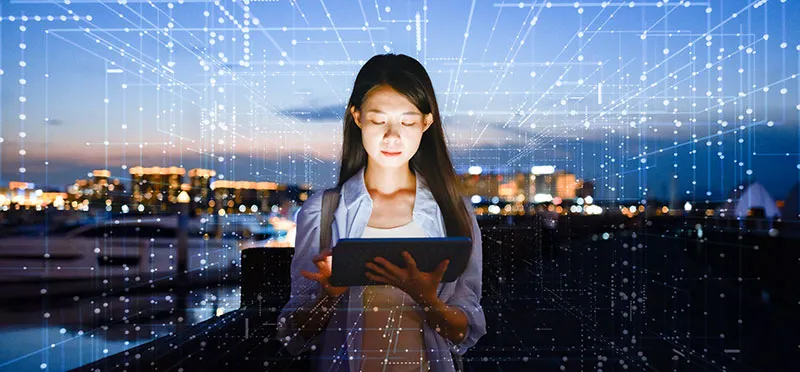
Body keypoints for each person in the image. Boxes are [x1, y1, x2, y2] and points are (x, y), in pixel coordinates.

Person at [276, 53, 486, 372]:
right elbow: (294, 333)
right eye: (378, 120)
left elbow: (465, 331)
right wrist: (328, 297)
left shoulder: (453, 211)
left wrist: (428, 300)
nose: (391, 136)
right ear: (357, 117)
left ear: (427, 122)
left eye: (407, 121)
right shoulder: (322, 211)